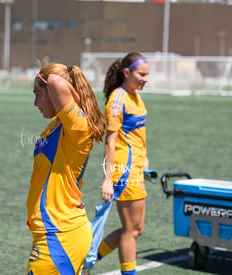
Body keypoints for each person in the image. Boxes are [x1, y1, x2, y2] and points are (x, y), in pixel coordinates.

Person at [26, 63, 105, 274]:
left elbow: (55, 81)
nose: (35, 102)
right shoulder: (57, 124)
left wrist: (48, 78)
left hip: (60, 234)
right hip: (57, 231)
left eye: (37, 94)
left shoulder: (77, 127)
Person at [83, 52, 150, 275]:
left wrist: (145, 157)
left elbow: (137, 134)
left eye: (147, 75)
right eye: (141, 74)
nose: (145, 79)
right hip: (125, 171)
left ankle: (87, 262)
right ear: (127, 72)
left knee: (134, 228)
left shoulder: (136, 96)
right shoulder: (117, 100)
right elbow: (110, 144)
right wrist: (108, 180)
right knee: (131, 230)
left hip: (137, 168)